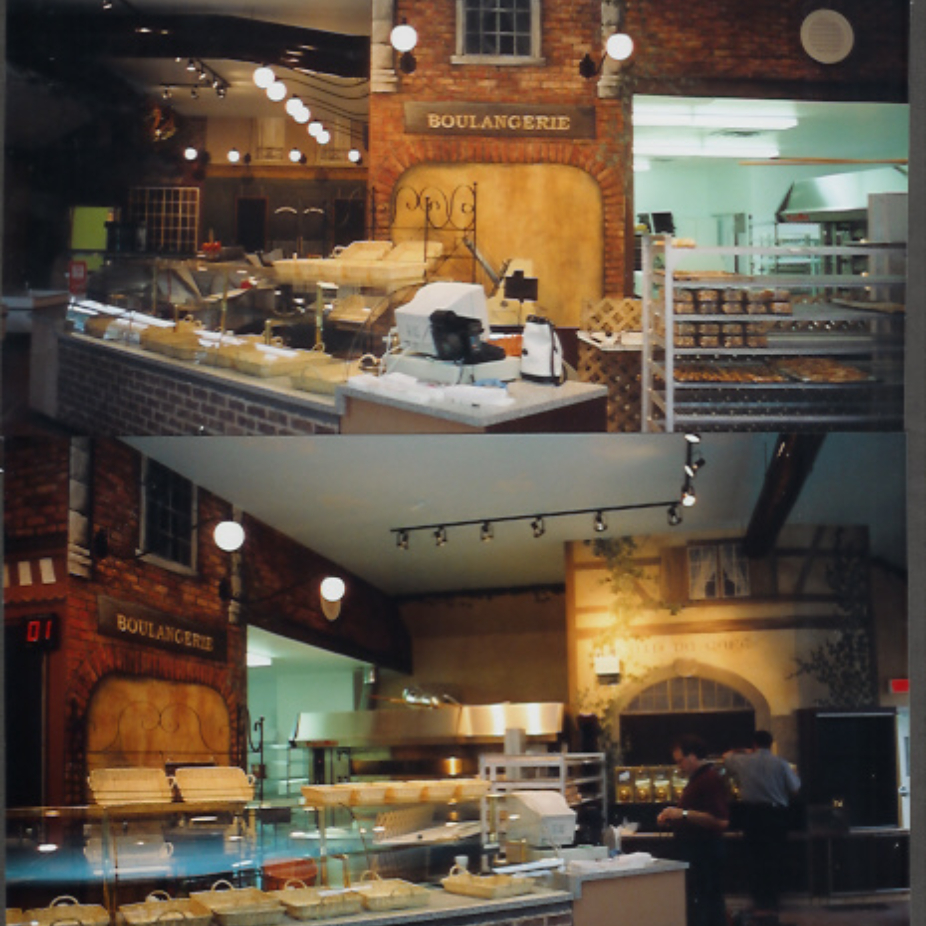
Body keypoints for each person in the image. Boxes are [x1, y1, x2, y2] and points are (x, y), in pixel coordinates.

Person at [724, 730, 801, 917]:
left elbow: (726, 757)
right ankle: (773, 902)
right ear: (771, 743)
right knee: (774, 858)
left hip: (752, 815)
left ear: (754, 744)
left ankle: (759, 902)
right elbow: (795, 788)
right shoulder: (781, 763)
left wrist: (743, 751)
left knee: (755, 859)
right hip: (776, 816)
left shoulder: (743, 761)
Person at [657, 734, 730, 926]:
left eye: (680, 761)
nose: (678, 766)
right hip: (698, 851)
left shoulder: (709, 779)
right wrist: (673, 817)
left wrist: (682, 814)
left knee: (708, 904)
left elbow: (721, 821)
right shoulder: (699, 779)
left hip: (705, 853)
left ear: (692, 756)